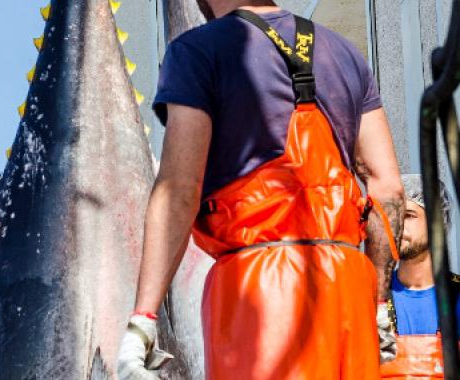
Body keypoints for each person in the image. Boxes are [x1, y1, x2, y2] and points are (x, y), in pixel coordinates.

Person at [116, 1, 405, 379]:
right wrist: (379, 303)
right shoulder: (345, 53)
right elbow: (388, 188)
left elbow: (180, 188)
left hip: (261, 290)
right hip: (349, 288)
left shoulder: (196, 51)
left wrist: (144, 319)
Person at [380, 174, 455, 379]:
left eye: (409, 215)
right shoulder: (372, 297)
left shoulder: (457, 297)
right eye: (395, 216)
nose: (399, 225)